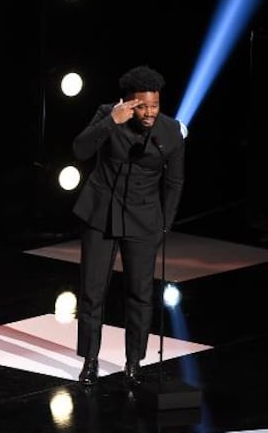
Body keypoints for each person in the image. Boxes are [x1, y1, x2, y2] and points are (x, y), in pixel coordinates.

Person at [73, 65, 185, 386]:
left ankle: (134, 362)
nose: (149, 112)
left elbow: (175, 183)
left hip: (144, 219)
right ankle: (90, 361)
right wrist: (111, 123)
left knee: (140, 293)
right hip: (100, 214)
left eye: (155, 105)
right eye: (143, 106)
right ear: (129, 102)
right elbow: (80, 149)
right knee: (92, 292)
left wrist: (163, 225)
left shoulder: (171, 132)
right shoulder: (108, 115)